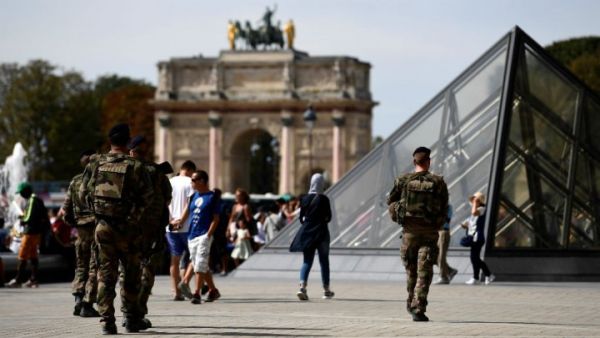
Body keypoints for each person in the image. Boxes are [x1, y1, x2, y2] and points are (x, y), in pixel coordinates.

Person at [79, 123, 153, 335]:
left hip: (103, 227)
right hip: (128, 228)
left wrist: (99, 214)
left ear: (109, 141)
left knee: (105, 275)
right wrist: (133, 217)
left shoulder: (95, 162)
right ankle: (130, 319)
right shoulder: (135, 165)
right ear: (128, 141)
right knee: (130, 275)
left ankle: (107, 322)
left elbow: (83, 193)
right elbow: (147, 197)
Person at [387, 146, 448, 322]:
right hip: (429, 234)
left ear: (414, 162)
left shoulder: (403, 180)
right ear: (429, 161)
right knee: (425, 272)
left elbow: (390, 202)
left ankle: (410, 302)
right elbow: (444, 208)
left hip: (409, 234)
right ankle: (418, 307)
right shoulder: (438, 182)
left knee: (411, 271)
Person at [127, 136, 172, 328]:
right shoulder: (157, 172)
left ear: (131, 151)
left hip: (125, 227)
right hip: (151, 229)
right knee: (148, 269)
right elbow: (167, 198)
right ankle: (138, 310)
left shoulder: (123, 169)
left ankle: (127, 313)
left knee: (127, 271)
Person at [172, 170, 221, 304]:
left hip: (204, 235)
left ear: (202, 181)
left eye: (193, 180)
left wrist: (208, 235)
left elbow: (216, 219)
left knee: (199, 264)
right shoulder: (193, 196)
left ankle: (196, 293)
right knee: (199, 263)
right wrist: (179, 223)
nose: (191, 182)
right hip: (191, 235)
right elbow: (187, 211)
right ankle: (213, 290)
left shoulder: (212, 197)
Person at [60, 149, 100, 317]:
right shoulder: (99, 180)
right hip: (97, 228)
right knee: (94, 266)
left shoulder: (75, 181)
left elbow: (66, 210)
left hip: (81, 231)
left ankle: (77, 298)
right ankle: (87, 304)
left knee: (81, 266)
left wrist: (74, 224)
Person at [289, 173, 334, 301]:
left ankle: (302, 287)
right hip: (322, 233)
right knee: (324, 261)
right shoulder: (325, 199)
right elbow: (329, 217)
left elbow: (301, 218)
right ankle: (326, 290)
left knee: (307, 261)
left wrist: (309, 223)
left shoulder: (304, 199)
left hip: (308, 233)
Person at [7, 182, 50, 288]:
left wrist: (23, 219)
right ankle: (33, 279)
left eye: (21, 193)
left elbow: (29, 217)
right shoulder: (38, 200)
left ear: (26, 191)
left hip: (30, 232)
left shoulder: (32, 200)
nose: (21, 195)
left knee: (22, 256)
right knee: (33, 256)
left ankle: (18, 280)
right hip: (37, 233)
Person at [166, 160, 196, 301]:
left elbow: (165, 203)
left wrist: (171, 220)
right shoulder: (191, 182)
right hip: (187, 227)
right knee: (193, 257)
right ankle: (185, 283)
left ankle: (176, 292)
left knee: (174, 261)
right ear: (190, 170)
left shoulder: (170, 182)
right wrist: (181, 221)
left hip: (170, 228)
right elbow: (189, 205)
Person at [461, 192, 495, 285]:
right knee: (474, 258)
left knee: (475, 258)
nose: (473, 202)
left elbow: (474, 213)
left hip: (478, 238)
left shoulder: (482, 208)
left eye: (475, 200)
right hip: (473, 237)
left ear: (479, 201)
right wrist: (465, 225)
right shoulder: (476, 210)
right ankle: (479, 277)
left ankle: (486, 275)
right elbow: (470, 223)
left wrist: (476, 203)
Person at [433, 204, 458, 285]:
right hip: (438, 232)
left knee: (441, 256)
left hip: (443, 231)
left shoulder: (446, 206)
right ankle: (450, 271)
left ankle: (443, 277)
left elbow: (444, 219)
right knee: (435, 256)